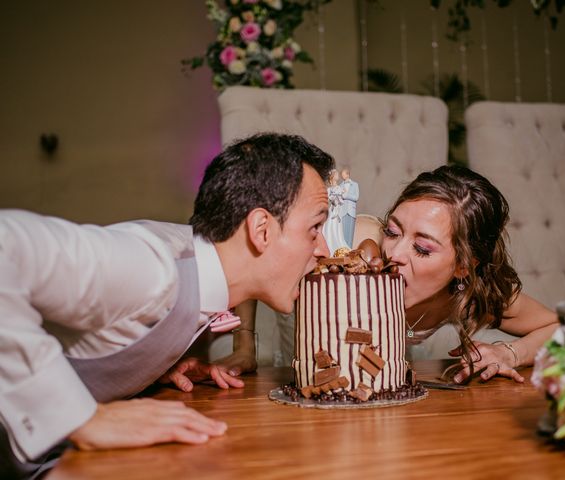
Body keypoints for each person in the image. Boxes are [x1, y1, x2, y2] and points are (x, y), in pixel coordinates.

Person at [0, 133, 333, 479]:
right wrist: (79, 417)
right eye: (315, 227)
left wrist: (148, 368)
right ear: (262, 230)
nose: (323, 249)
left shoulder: (201, 280)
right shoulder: (152, 266)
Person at [381, 165, 558, 383]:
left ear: (463, 266)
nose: (394, 253)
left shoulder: (468, 295)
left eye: (422, 248)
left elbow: (563, 329)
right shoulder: (354, 249)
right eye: (391, 232)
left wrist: (510, 353)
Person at [322, 169, 349, 254]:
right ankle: (329, 244)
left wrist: (343, 193)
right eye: (336, 174)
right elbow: (327, 199)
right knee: (330, 225)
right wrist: (333, 198)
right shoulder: (329, 189)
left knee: (337, 227)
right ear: (332, 177)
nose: (338, 176)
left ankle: (338, 245)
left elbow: (343, 198)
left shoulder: (340, 188)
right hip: (332, 210)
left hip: (338, 210)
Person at [338, 167, 359, 248]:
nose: (342, 176)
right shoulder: (340, 185)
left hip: (351, 211)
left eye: (343, 174)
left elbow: (356, 197)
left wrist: (346, 196)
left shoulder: (355, 184)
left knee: (350, 233)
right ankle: (343, 251)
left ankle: (349, 251)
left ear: (347, 174)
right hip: (342, 211)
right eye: (341, 175)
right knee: (342, 234)